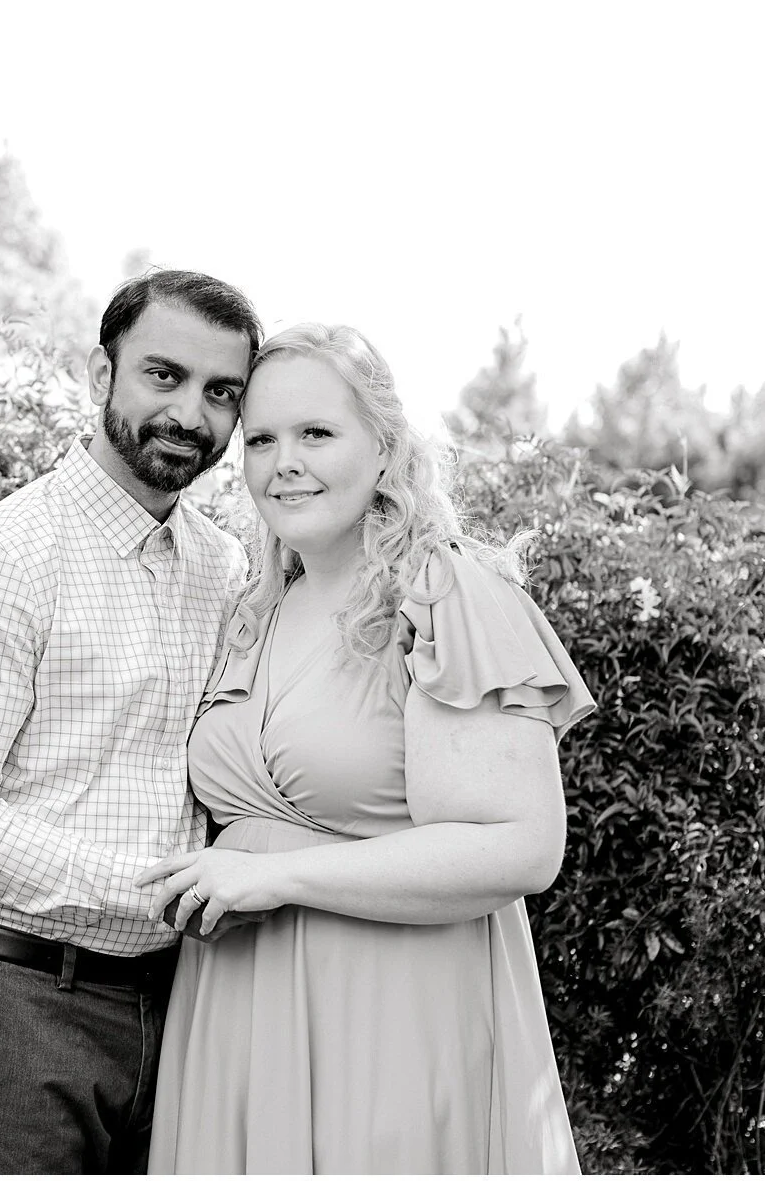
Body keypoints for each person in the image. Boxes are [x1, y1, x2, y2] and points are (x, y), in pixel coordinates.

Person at [137, 322, 595, 1174]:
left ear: (385, 449)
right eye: (262, 440)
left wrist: (278, 878)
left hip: (392, 1016)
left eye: (316, 433)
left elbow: (521, 848)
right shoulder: (255, 608)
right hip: (235, 1011)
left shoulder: (443, 592)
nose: (284, 463)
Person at [0, 270, 263, 1173]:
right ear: (103, 374)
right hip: (16, 1005)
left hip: (179, 1009)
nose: (190, 414)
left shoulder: (224, 569)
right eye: (164, 375)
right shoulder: (8, 556)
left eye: (222, 392)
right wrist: (149, 890)